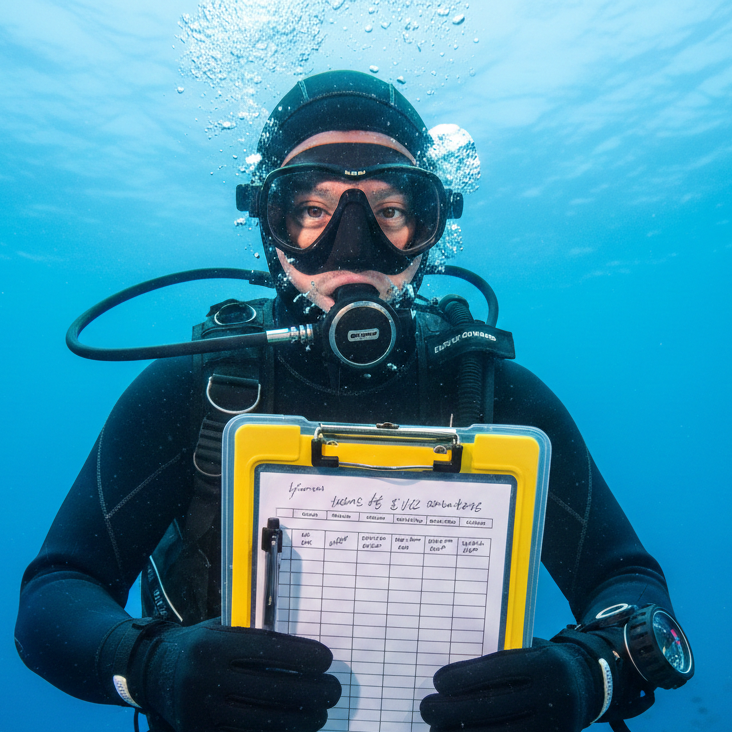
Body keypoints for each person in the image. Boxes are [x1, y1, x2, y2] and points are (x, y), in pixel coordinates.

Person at [15, 70, 691, 732]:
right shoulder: (195, 391)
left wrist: (590, 675)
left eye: (391, 212)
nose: (353, 243)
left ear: (430, 228)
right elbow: (52, 599)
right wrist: (154, 666)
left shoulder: (492, 392)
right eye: (311, 210)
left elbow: (626, 579)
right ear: (269, 228)